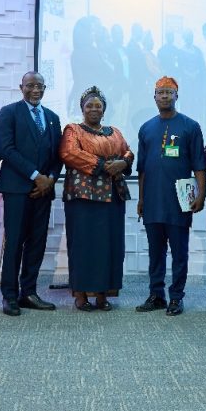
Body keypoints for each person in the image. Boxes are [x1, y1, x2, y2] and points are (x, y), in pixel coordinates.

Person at [136, 76, 206, 316]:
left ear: (177, 96)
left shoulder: (190, 126)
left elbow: (199, 165)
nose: (164, 96)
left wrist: (201, 194)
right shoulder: (146, 128)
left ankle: (176, 297)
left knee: (179, 252)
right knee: (155, 252)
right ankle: (156, 295)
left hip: (179, 201)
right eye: (160, 92)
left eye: (169, 92)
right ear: (154, 97)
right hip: (153, 201)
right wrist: (141, 199)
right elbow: (142, 169)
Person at [60, 86, 134, 311]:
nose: (94, 109)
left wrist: (124, 162)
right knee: (83, 245)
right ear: (82, 108)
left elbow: (127, 151)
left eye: (98, 106)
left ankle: (103, 295)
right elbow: (69, 153)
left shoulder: (115, 131)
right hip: (83, 197)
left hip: (113, 197)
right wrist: (103, 165)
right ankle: (81, 295)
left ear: (104, 110)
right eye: (89, 105)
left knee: (109, 245)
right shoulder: (73, 130)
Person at [0, 71, 63, 316]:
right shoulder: (9, 112)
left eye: (40, 86)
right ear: (21, 87)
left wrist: (50, 179)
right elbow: (6, 149)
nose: (35, 90)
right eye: (30, 85)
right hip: (17, 188)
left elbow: (59, 156)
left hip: (43, 191)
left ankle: (29, 292)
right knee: (14, 242)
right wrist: (37, 176)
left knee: (37, 243)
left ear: (45, 89)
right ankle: (10, 296)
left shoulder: (53, 118)